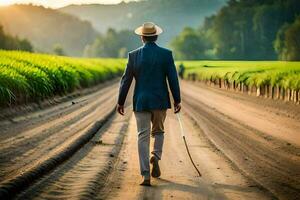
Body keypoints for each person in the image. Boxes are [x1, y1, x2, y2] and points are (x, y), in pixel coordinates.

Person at [116, 22, 181, 186]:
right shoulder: (166, 54)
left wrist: (120, 102)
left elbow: (126, 80)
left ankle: (145, 175)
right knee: (159, 131)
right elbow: (173, 78)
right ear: (156, 36)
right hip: (159, 101)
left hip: (141, 100)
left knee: (142, 136)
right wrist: (177, 99)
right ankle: (156, 156)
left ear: (142, 37)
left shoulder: (133, 55)